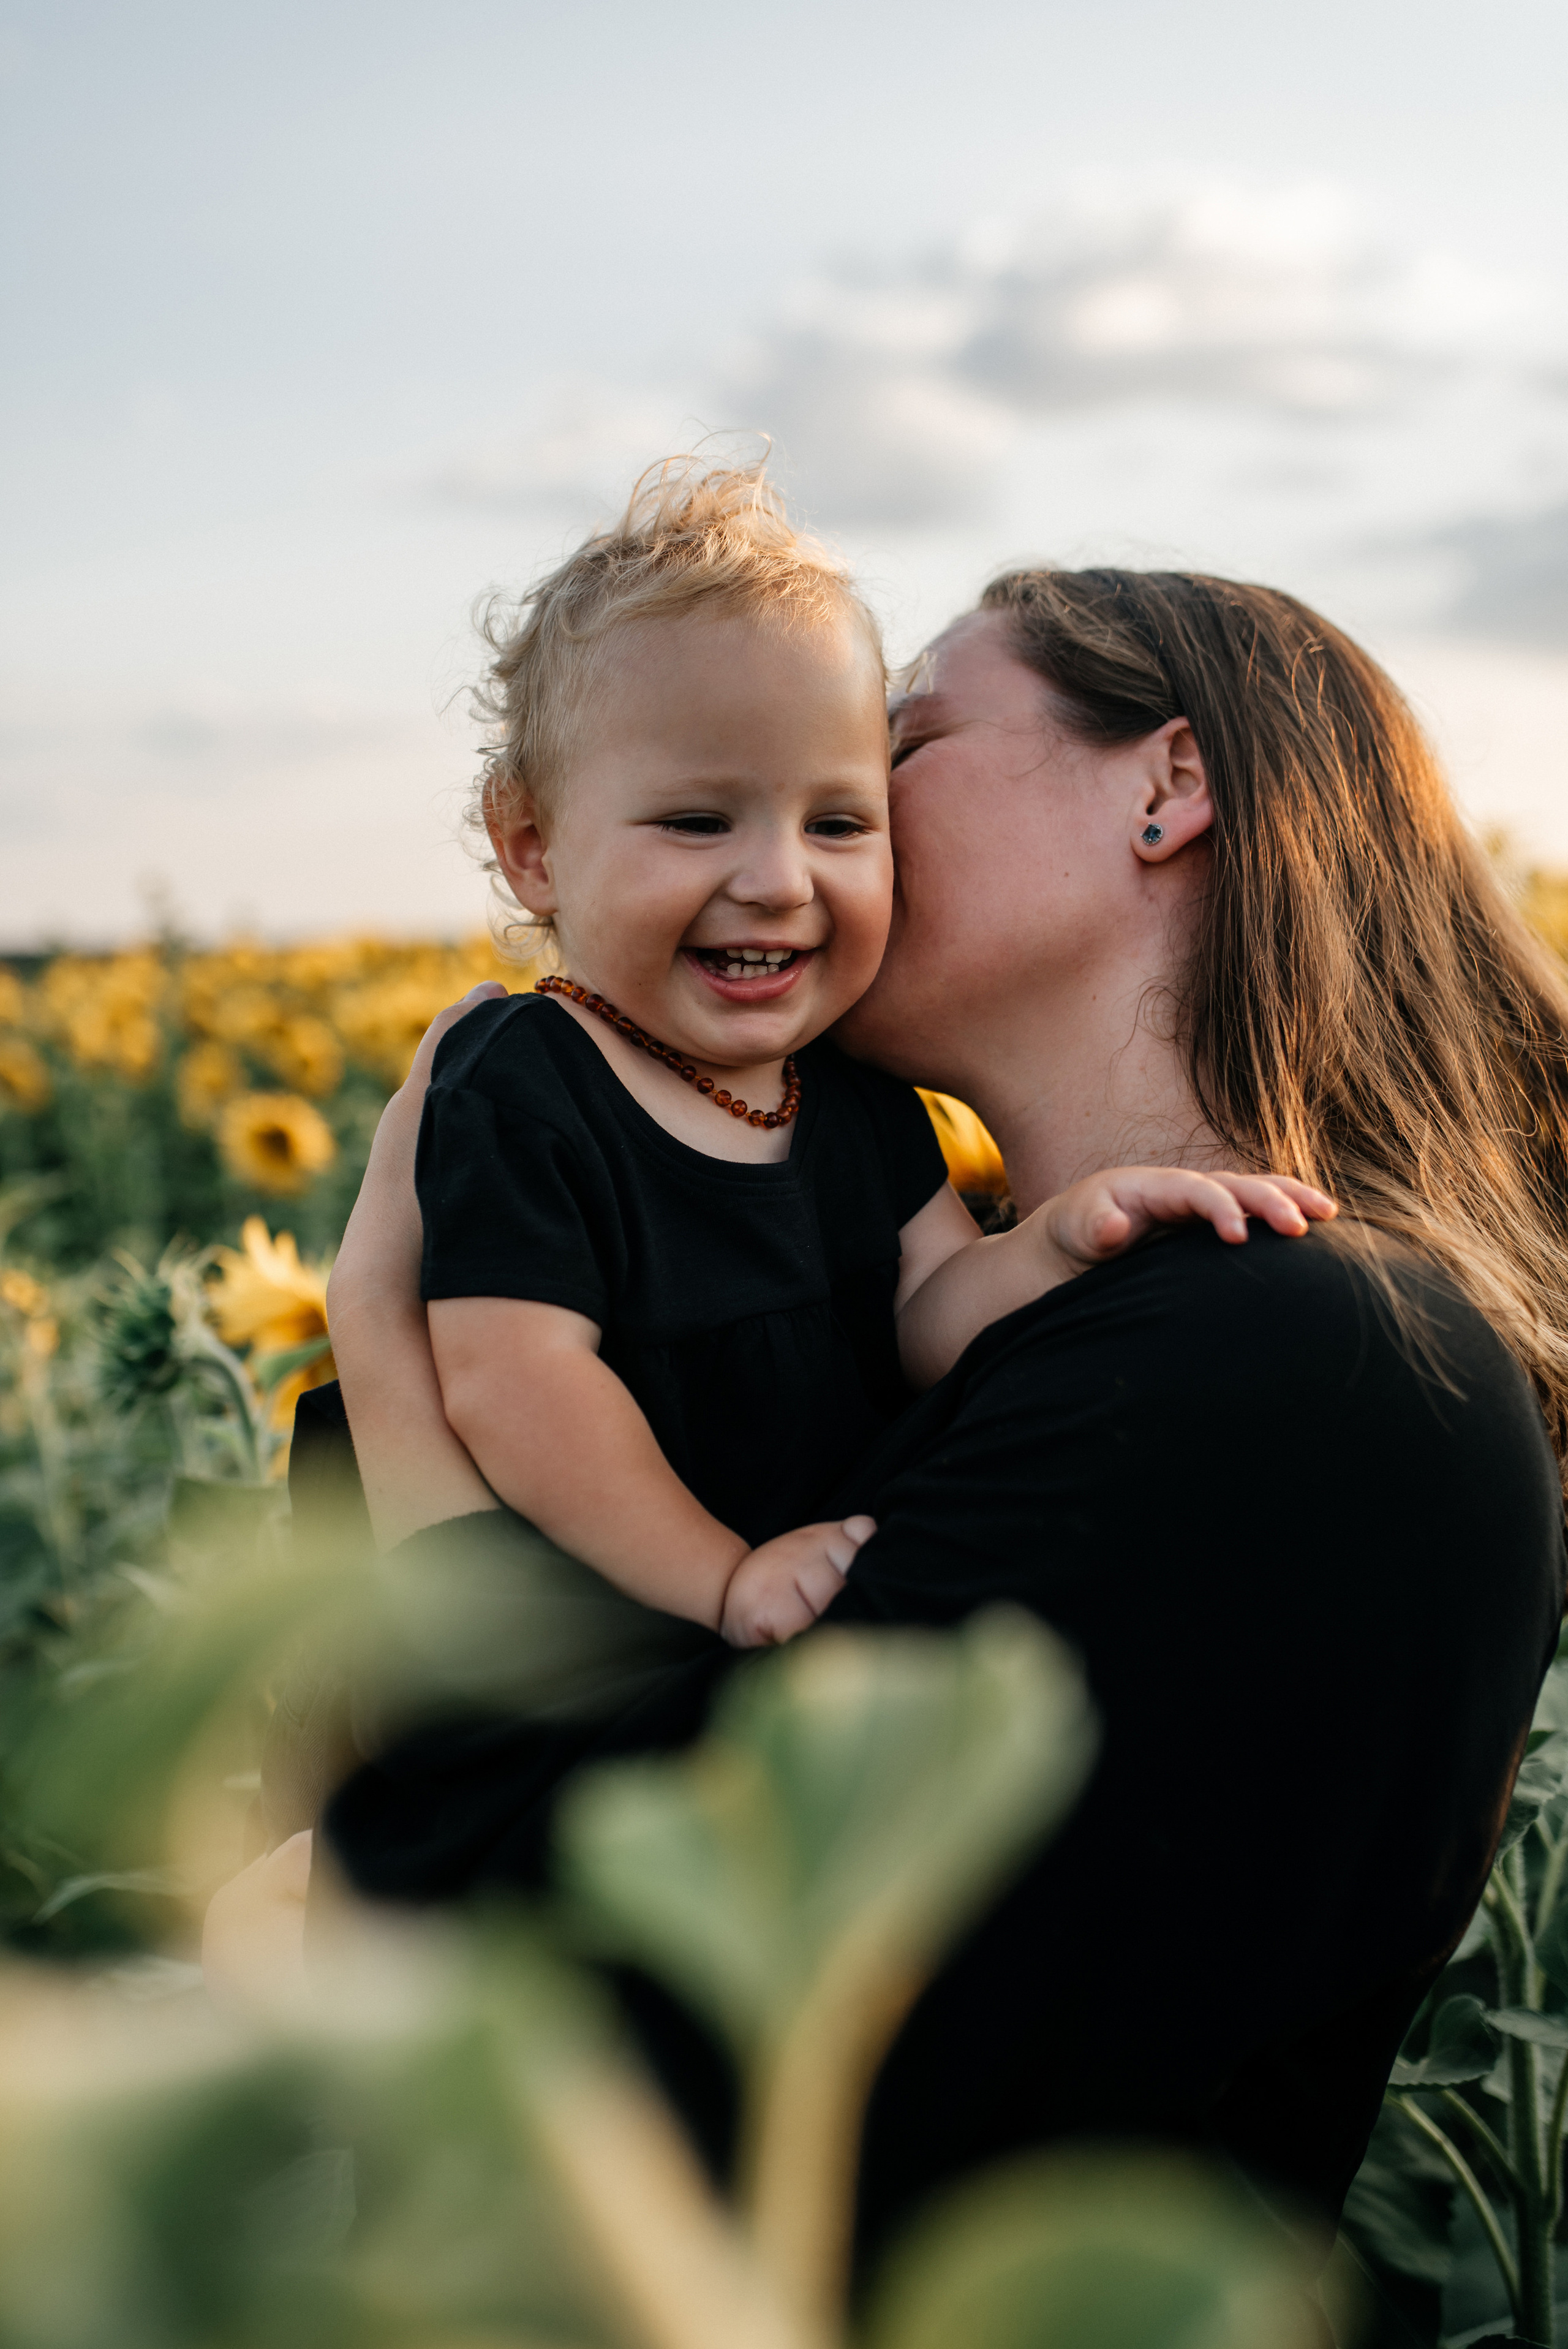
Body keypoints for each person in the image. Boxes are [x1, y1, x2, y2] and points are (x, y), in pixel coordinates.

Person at [315, 561, 1568, 2258]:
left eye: (889, 750)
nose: (806, 853)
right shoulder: (1026, 1315)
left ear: (1168, 788)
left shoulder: (1292, 1355)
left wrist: (394, 1373)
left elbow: (581, 2008)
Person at [411, 458, 1329, 1647]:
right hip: (601, 1634)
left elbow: (931, 1313)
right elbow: (513, 1380)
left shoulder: (844, 1099)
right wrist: (722, 1577)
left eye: (843, 822)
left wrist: (1058, 1238)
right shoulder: (527, 1076)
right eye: (697, 821)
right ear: (533, 847)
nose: (777, 881)